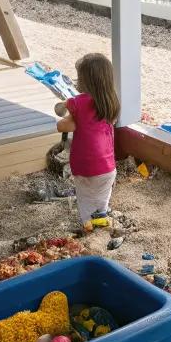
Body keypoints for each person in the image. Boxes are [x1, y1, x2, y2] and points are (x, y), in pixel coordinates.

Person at [54, 52, 120, 227]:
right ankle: (101, 218)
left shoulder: (79, 102)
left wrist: (63, 105)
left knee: (85, 199)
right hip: (107, 166)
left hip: (84, 165)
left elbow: (60, 116)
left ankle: (88, 226)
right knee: (101, 199)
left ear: (85, 80)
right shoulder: (112, 101)